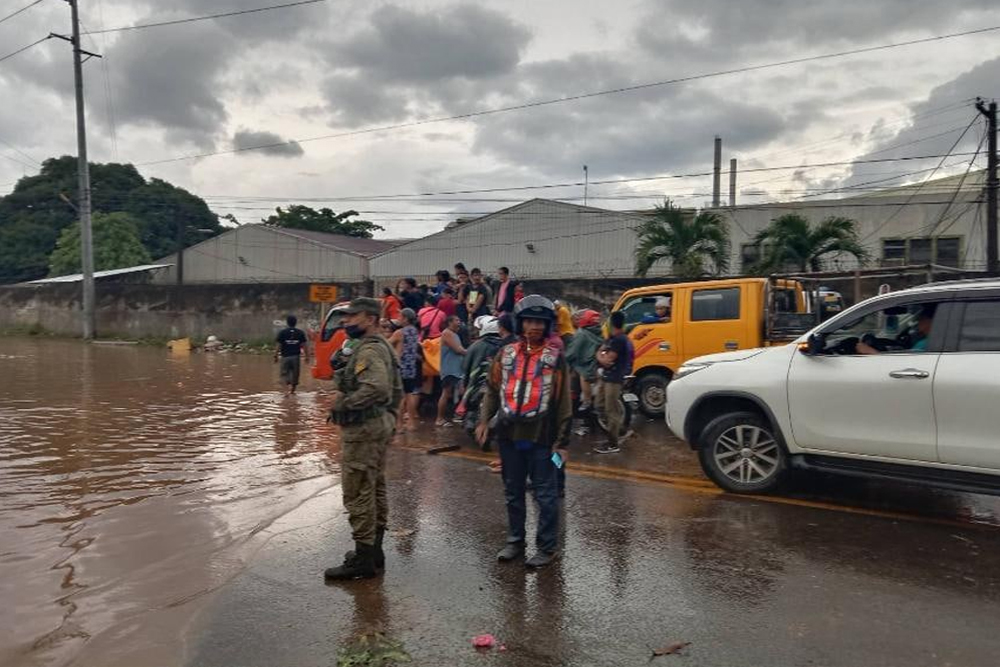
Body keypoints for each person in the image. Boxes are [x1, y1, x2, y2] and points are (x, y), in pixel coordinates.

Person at [476, 295, 572, 568]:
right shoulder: (505, 354)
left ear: (548, 325)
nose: (535, 326)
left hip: (544, 439)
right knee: (512, 491)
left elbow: (564, 402)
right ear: (520, 323)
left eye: (541, 322)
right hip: (509, 436)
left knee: (546, 494)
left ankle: (547, 546)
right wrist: (484, 421)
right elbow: (493, 391)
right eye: (530, 320)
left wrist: (562, 442)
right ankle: (515, 540)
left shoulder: (555, 359)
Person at [324, 298, 403, 581]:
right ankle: (373, 552)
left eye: (352, 316)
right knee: (374, 486)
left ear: (370, 319)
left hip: (364, 429)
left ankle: (363, 559)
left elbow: (377, 388)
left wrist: (343, 406)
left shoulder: (369, 350)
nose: (345, 321)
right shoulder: (381, 346)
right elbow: (394, 391)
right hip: (377, 425)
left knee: (358, 490)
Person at [594, 311, 633, 455]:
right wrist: (601, 354)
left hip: (614, 378)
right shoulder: (612, 338)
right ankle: (620, 429)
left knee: (611, 410)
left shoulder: (619, 340)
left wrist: (600, 355)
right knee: (599, 405)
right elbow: (602, 352)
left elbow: (607, 360)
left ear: (611, 323)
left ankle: (613, 443)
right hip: (606, 377)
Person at [388, 308, 422, 432]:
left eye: (400, 317)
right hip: (411, 367)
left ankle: (399, 425)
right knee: (410, 395)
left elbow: (386, 344)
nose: (398, 319)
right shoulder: (414, 331)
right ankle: (411, 423)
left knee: (399, 397)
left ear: (406, 319)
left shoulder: (399, 332)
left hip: (400, 367)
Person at [857, 304, 936, 355]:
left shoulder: (927, 344)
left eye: (920, 318)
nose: (917, 321)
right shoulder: (931, 342)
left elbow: (906, 366)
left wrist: (870, 351)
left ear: (930, 321)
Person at [565, 309, 603, 413]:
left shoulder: (581, 333)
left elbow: (572, 351)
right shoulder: (598, 331)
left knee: (579, 375)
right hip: (596, 361)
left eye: (580, 318)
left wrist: (565, 358)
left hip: (587, 364)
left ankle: (586, 401)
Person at [437, 315, 467, 426]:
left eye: (459, 320)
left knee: (461, 391)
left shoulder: (454, 334)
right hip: (450, 369)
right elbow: (458, 350)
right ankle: (439, 419)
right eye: (457, 320)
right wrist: (473, 352)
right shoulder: (447, 333)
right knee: (446, 393)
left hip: (456, 369)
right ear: (450, 322)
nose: (459, 322)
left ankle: (460, 415)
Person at [274, 315, 309, 395]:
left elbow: (279, 345)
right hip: (296, 357)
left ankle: (286, 392)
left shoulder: (282, 332)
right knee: (295, 374)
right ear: (295, 323)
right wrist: (307, 356)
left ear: (287, 323)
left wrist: (275, 355)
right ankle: (292, 391)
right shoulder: (300, 333)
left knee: (284, 374)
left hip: (285, 357)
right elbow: (304, 345)